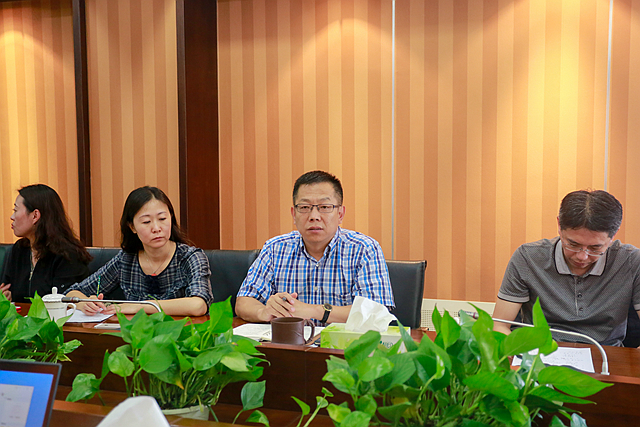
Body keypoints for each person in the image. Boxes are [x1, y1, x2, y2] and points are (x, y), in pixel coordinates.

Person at [235, 170, 394, 324]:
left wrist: (315, 311)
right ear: (294, 214)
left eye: (324, 207)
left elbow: (376, 312)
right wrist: (264, 312)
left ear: (340, 214)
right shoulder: (275, 248)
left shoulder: (364, 249)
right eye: (304, 207)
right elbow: (244, 301)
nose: (314, 216)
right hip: (288, 341)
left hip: (344, 342)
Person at [493, 189, 640, 346]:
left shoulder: (631, 261)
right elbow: (500, 325)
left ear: (614, 235)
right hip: (540, 352)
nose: (582, 256)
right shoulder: (528, 258)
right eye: (573, 244)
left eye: (595, 248)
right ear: (559, 225)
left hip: (606, 354)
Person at [65, 186, 213, 317]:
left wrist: (139, 307)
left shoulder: (190, 257)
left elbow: (198, 305)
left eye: (162, 218)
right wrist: (84, 303)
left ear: (171, 218)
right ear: (132, 227)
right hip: (136, 336)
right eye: (146, 222)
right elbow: (71, 294)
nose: (156, 228)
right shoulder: (126, 260)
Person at [0, 184, 91, 303]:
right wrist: (5, 296)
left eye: (15, 210)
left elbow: (65, 302)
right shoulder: (19, 249)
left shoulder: (67, 255)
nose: (12, 217)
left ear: (35, 216)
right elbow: (8, 289)